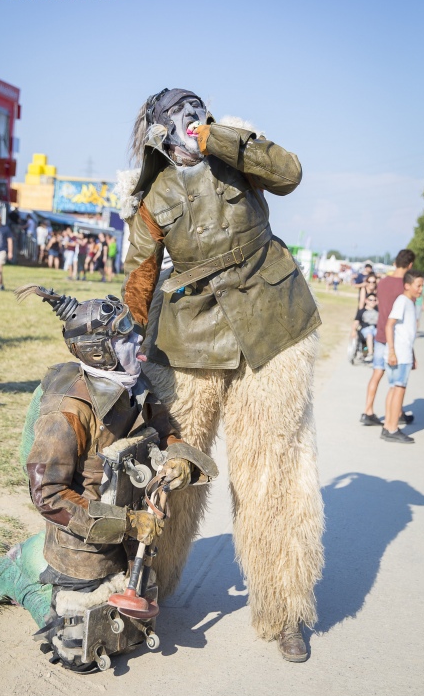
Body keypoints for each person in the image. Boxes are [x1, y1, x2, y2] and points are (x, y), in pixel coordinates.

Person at [120, 88, 323, 662]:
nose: (190, 118)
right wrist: (126, 342)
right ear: (160, 133)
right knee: (175, 467)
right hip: (191, 342)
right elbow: (139, 276)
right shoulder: (154, 196)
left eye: (196, 108)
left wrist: (219, 138)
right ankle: (150, 582)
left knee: (272, 474)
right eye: (178, 115)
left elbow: (289, 173)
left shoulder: (238, 152)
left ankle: (284, 608)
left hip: (273, 326)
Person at [0, 286, 217, 672]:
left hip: (126, 537)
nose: (139, 338)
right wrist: (127, 522)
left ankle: (36, 557)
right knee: (80, 651)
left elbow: (163, 426)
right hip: (82, 541)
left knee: (136, 623)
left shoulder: (134, 383)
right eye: (125, 334)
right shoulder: (68, 411)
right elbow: (47, 493)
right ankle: (14, 575)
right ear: (97, 350)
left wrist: (178, 459)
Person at [360, 249, 416, 426]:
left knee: (377, 373)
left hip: (380, 333)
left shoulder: (383, 282)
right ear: (410, 265)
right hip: (396, 339)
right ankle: (396, 414)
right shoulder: (406, 286)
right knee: (398, 382)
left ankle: (367, 411)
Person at [381, 271, 424, 443]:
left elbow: (407, 333)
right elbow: (389, 325)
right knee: (399, 389)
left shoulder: (409, 302)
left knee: (394, 388)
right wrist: (392, 350)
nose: (421, 289)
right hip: (399, 355)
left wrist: (412, 354)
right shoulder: (403, 301)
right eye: (418, 285)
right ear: (407, 285)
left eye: (422, 286)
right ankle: (392, 428)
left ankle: (388, 427)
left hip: (403, 353)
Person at [351, 293, 379, 360]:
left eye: (374, 300)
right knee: (369, 334)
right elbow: (356, 322)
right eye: (370, 300)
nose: (372, 302)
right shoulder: (361, 311)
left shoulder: (378, 311)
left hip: (375, 329)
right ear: (366, 300)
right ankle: (370, 353)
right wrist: (354, 330)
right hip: (365, 329)